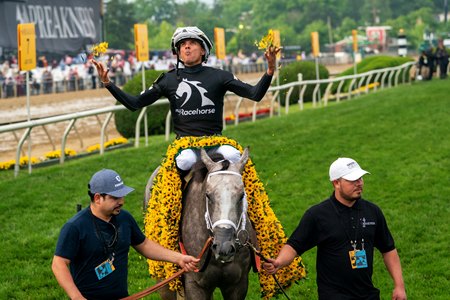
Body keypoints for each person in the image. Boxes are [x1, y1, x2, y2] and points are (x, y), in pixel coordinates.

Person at [92, 26, 280, 171]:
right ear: (178, 52)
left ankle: (245, 211)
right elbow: (134, 103)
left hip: (215, 143)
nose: (186, 46)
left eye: (192, 43)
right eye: (182, 44)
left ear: (203, 50)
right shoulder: (168, 79)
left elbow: (255, 94)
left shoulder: (220, 76)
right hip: (186, 147)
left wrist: (270, 71)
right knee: (184, 161)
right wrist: (108, 83)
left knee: (234, 155)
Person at [263, 158, 407, 300]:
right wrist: (279, 262)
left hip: (368, 294)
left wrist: (399, 286)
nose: (359, 183)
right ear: (336, 183)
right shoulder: (318, 215)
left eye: (360, 178)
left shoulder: (373, 212)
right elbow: (294, 245)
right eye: (352, 180)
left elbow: (388, 249)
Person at [51, 169, 199, 300]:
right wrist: (76, 297)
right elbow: (58, 264)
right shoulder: (75, 227)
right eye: (115, 198)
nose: (121, 201)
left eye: (122, 196)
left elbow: (144, 245)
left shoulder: (124, 218)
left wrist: (179, 258)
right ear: (97, 198)